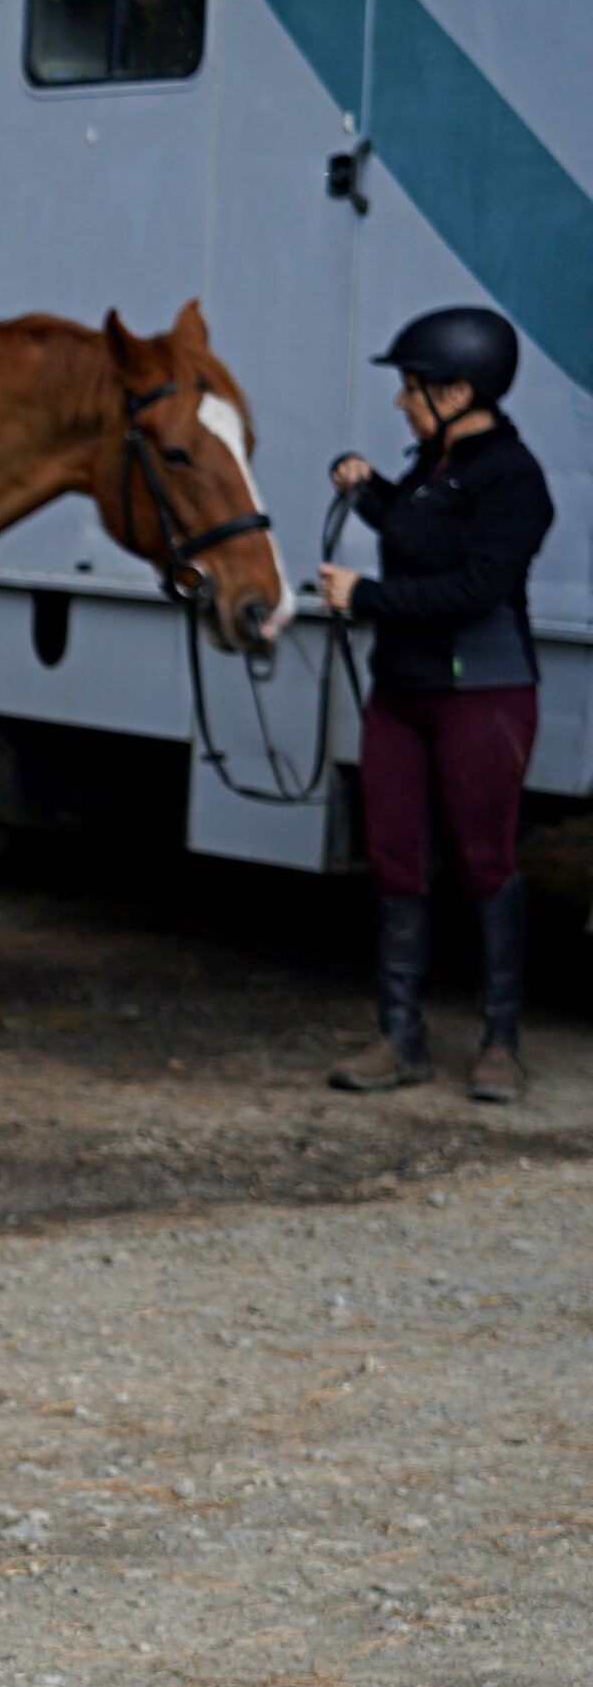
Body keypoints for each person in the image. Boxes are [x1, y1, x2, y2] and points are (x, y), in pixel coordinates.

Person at [321, 305, 552, 1101]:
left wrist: (367, 595)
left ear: (459, 390)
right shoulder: (433, 465)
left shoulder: (511, 476)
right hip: (403, 692)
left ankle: (500, 1043)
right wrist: (370, 490)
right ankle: (400, 1036)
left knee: (485, 861)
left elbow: (477, 585)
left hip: (481, 694)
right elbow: (423, 535)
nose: (400, 401)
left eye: (411, 387)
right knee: (393, 856)